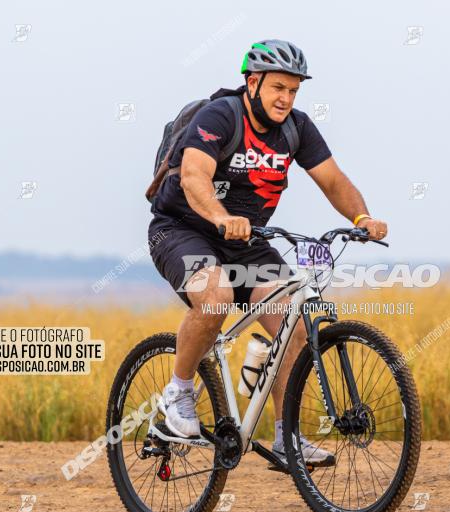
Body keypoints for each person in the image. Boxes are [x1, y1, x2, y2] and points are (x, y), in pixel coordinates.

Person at [148, 39, 387, 465]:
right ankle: (177, 397)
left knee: (292, 321)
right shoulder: (220, 116)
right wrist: (221, 218)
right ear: (253, 82)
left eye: (294, 91)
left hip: (246, 242)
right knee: (217, 295)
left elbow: (333, 181)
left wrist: (362, 217)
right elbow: (193, 176)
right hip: (182, 230)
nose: (286, 99)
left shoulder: (296, 128)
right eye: (279, 87)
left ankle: (286, 436)